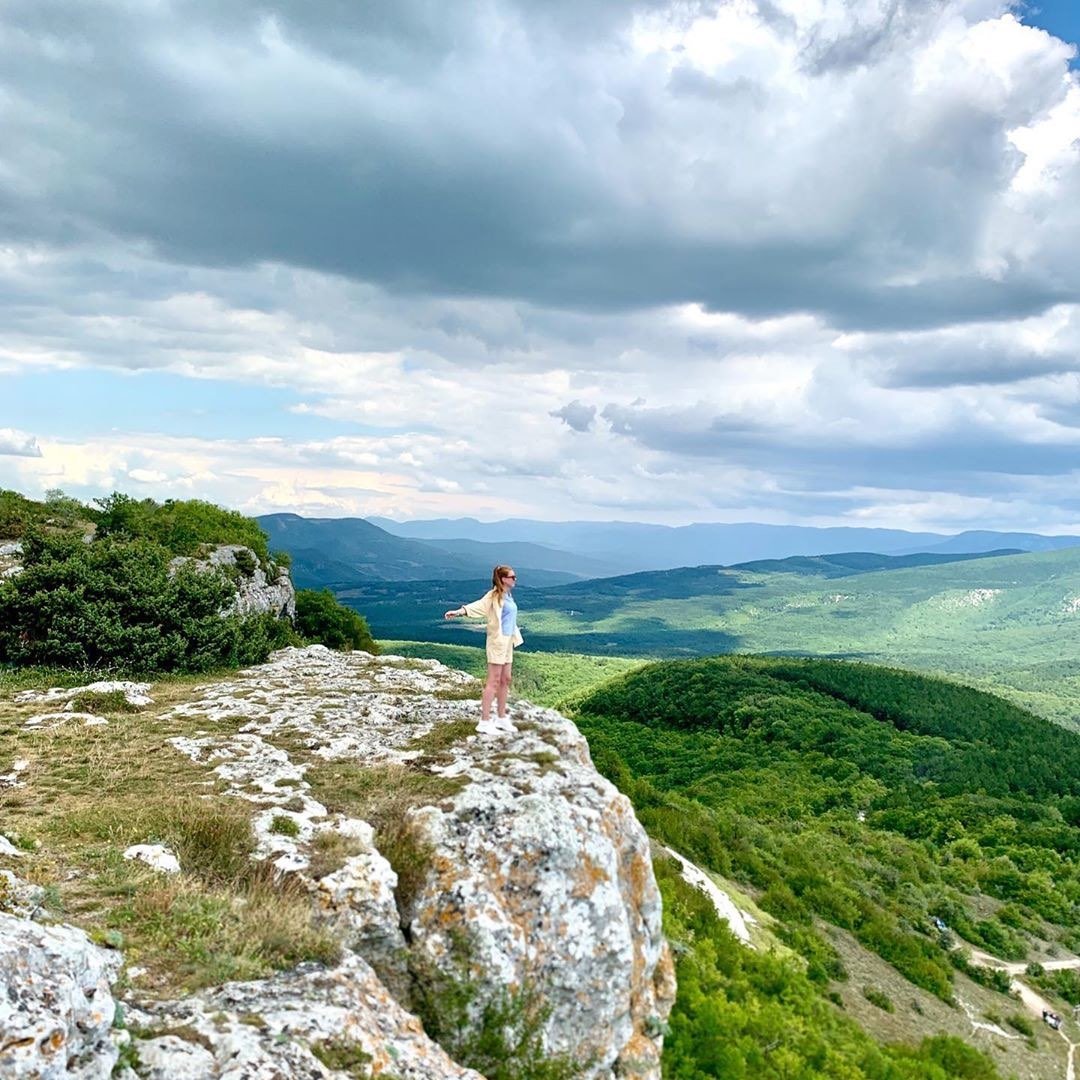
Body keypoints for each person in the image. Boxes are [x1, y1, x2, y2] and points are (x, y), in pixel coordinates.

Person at [444, 565, 523, 736]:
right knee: (493, 680)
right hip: (497, 643)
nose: (515, 579)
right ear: (503, 579)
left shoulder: (508, 595)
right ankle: (484, 721)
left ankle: (501, 717)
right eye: (512, 577)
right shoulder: (494, 596)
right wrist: (459, 612)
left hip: (508, 642)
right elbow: (478, 606)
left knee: (505, 679)